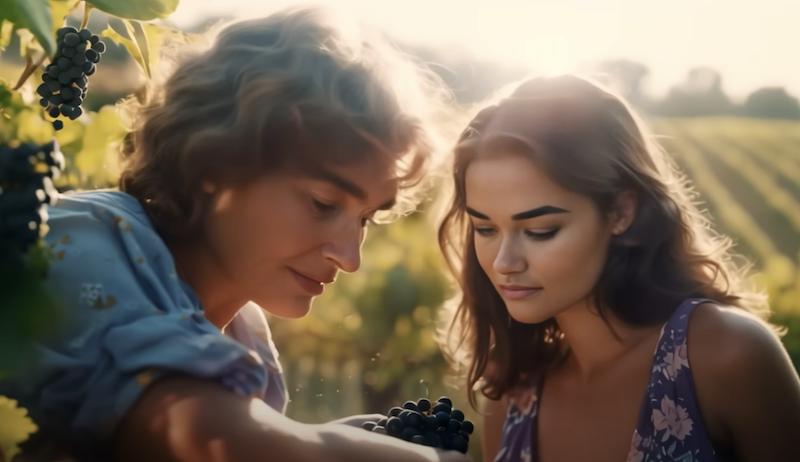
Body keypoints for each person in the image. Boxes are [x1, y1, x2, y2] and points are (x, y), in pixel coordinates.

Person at [0, 6, 470, 462]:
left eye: (365, 217)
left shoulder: (246, 333)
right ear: (214, 163)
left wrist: (321, 438)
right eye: (323, 204)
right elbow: (201, 438)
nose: (350, 257)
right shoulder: (84, 242)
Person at [436, 74, 800, 462]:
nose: (504, 262)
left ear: (621, 212)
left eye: (541, 231)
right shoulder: (512, 388)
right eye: (485, 228)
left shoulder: (726, 357)